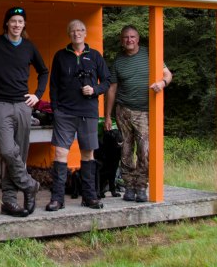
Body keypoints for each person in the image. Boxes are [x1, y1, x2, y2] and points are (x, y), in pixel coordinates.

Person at [0, 6, 50, 217]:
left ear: (24, 25)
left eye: (20, 22)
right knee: (6, 150)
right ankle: (29, 184)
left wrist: (38, 95)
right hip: (2, 105)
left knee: (18, 155)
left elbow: (43, 71)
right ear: (7, 23)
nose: (16, 25)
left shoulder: (29, 47)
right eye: (13, 21)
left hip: (23, 106)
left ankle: (10, 202)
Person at [46, 19, 111, 211]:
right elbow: (54, 86)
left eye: (81, 30)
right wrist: (56, 110)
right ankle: (57, 199)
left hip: (88, 113)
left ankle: (89, 197)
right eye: (73, 30)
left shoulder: (95, 56)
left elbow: (107, 81)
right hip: (64, 113)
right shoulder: (60, 56)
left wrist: (96, 90)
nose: (77, 33)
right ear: (69, 33)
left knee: (88, 153)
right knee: (60, 153)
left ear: (85, 33)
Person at [104, 25, 172, 203]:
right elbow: (112, 89)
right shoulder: (118, 60)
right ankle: (129, 186)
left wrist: (163, 83)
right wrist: (108, 115)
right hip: (123, 110)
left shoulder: (150, 54)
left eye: (132, 37)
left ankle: (141, 186)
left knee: (144, 150)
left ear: (138, 39)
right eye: (126, 37)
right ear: (122, 40)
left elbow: (167, 73)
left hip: (144, 111)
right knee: (125, 149)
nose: (129, 40)